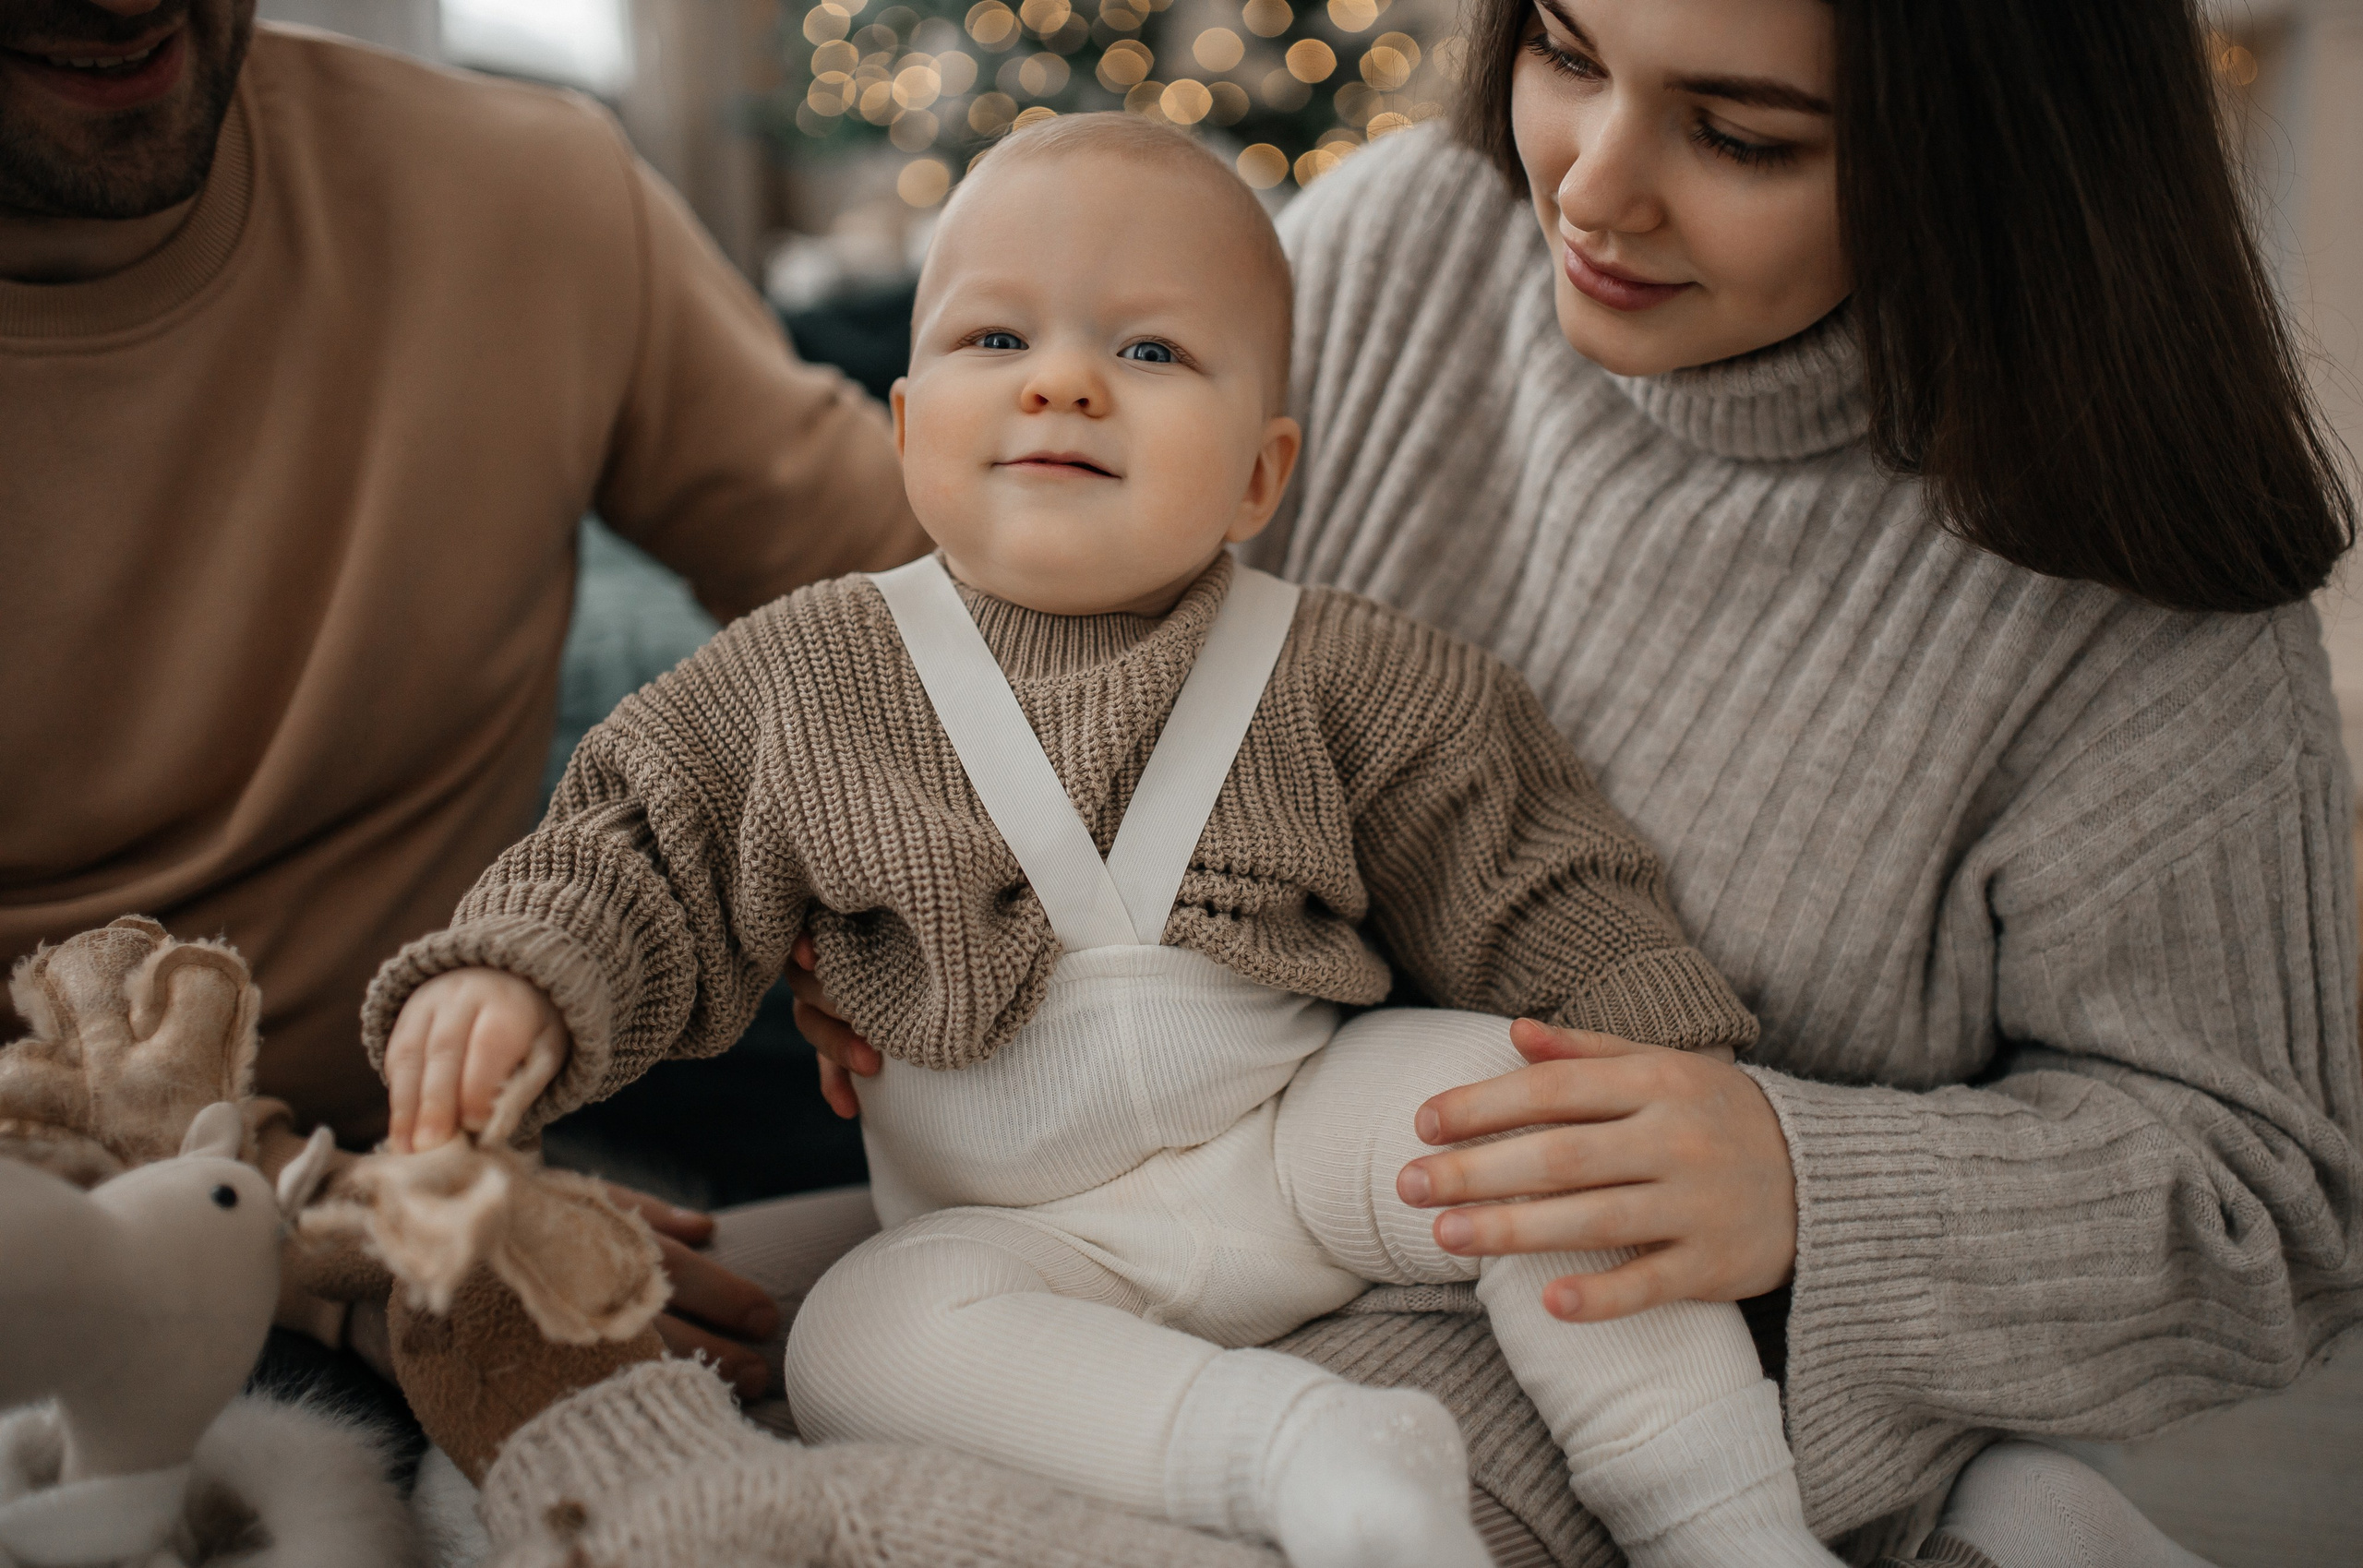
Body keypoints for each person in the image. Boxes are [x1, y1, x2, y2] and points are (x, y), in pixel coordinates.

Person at [791, 0, 2363, 1562]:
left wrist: (1805, 1182)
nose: (1592, 190)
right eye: (1565, 53)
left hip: (1624, 1373)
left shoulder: (2143, 622)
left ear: (1981, 152)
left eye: (1740, 136)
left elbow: (2272, 1218)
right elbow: (1044, 643)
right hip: (1154, 1204)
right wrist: (921, 898)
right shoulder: (1397, 249)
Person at [368, 114, 1851, 1568]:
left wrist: (1666, 1063)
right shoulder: (807, 675)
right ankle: (1307, 1454)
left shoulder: (1353, 671)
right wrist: (521, 974)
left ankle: (1729, 1526)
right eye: (996, 339)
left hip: (1296, 1139)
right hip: (1016, 1233)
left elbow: (1534, 874)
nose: (1063, 382)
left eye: (1148, 352)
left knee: (1539, 1126)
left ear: (1260, 474)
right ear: (904, 426)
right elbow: (643, 840)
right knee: (861, 1339)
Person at [0, 0, 925, 1393]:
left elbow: (944, 605)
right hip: (91, 1217)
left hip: (531, 1042)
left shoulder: (522, 188)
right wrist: (341, 1235)